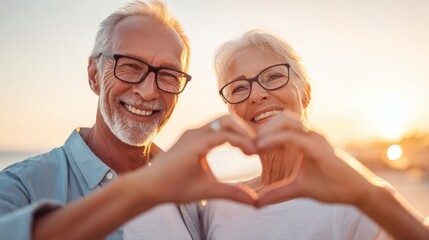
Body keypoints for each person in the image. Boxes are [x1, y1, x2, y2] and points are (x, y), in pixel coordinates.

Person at [0, 1, 258, 239]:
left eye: (168, 75)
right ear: (94, 75)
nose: (148, 91)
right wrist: (146, 188)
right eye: (130, 66)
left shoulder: (188, 196)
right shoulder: (21, 186)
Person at [200, 29, 429, 240]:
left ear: (305, 93)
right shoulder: (218, 205)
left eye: (273, 76)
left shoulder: (355, 199)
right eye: (239, 88)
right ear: (233, 111)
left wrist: (369, 197)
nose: (256, 95)